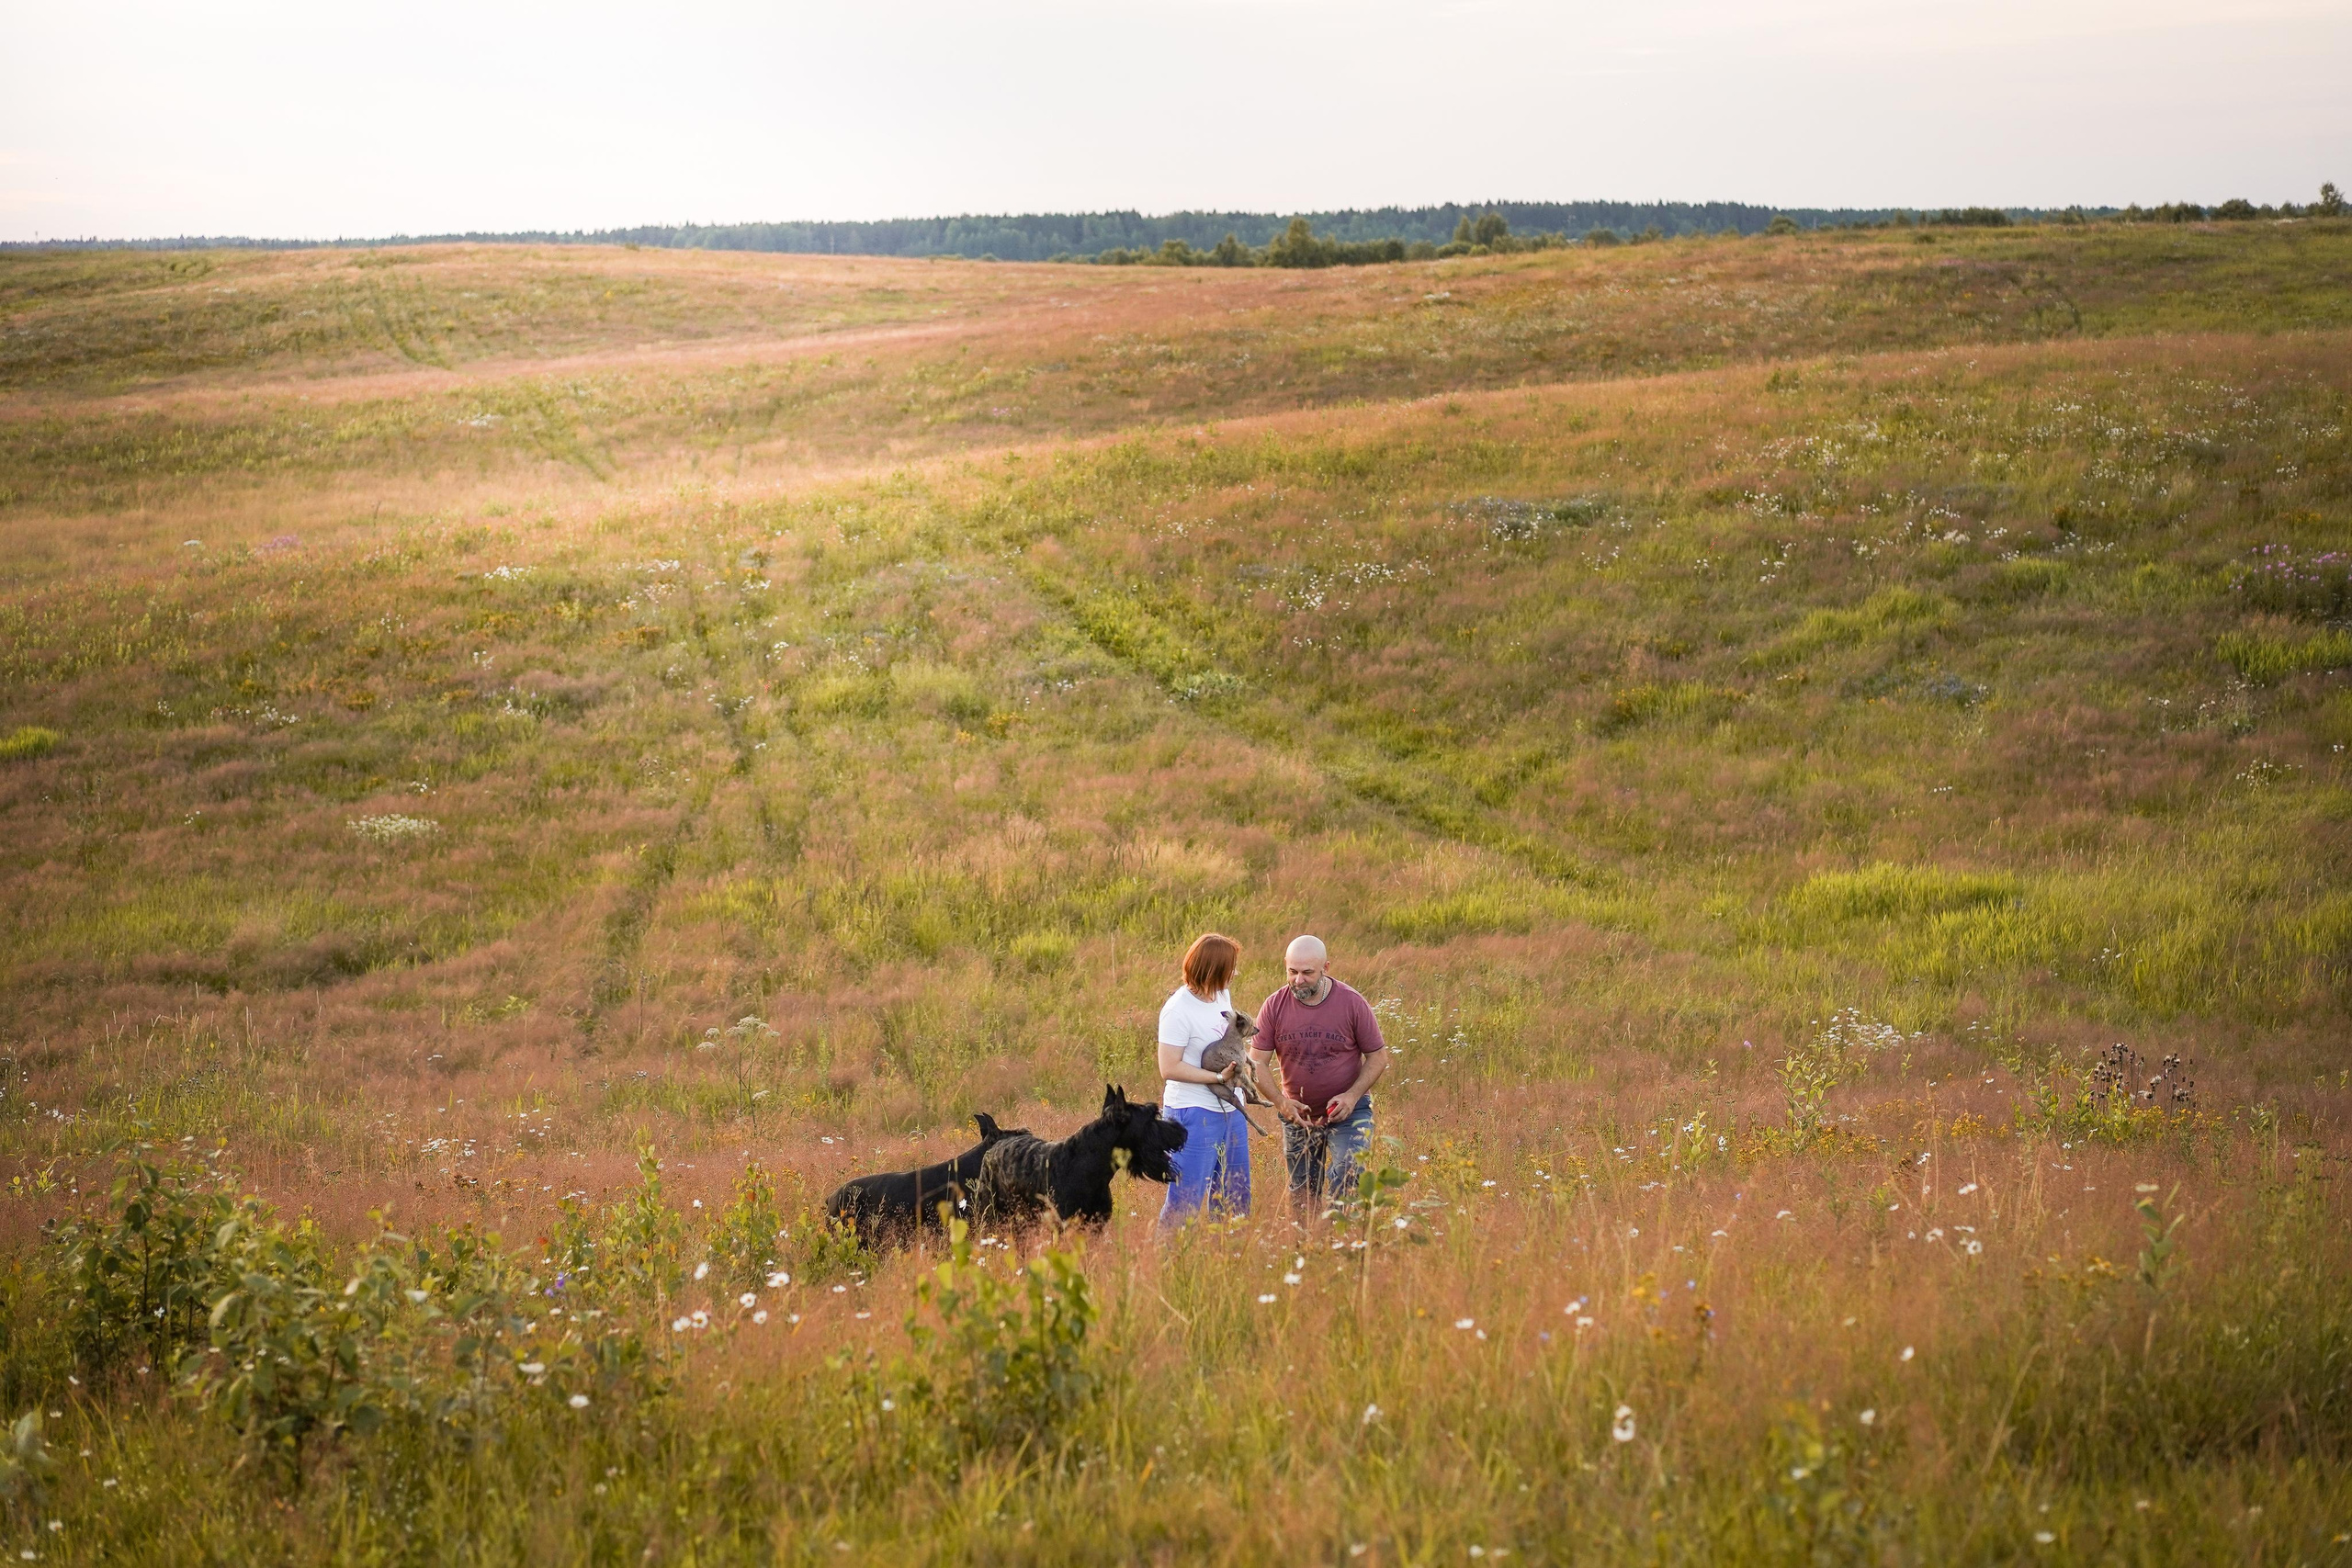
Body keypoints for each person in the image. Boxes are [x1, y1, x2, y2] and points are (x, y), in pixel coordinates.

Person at [1249, 934, 1387, 1215]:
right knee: (1303, 1193)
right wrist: (1280, 1102)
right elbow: (1257, 1063)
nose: (1298, 980)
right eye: (1292, 972)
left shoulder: (1352, 1003)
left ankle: (1343, 1236)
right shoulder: (1274, 1006)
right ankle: (1307, 1240)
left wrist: (1352, 1096)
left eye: (1307, 973)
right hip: (1298, 1115)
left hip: (1349, 1112)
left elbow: (1378, 1057)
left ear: (1326, 968)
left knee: (1347, 1174)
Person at [1156, 931, 1250, 1224]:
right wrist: (1217, 1076)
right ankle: (1170, 1253)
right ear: (1213, 970)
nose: (1235, 973)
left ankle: (1230, 1250)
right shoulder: (1177, 1010)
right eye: (1231, 968)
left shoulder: (1221, 995)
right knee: (1185, 1200)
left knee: (1235, 1196)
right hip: (1194, 1113)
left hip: (1231, 1110)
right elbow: (1169, 1067)